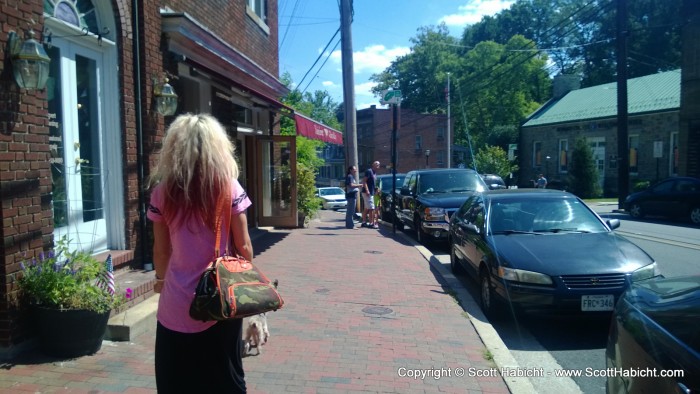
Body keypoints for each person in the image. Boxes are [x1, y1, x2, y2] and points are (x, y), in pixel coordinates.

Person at [147, 114, 252, 393]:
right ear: (219, 147)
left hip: (176, 303)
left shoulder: (162, 193)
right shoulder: (228, 188)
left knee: (176, 381)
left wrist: (161, 279)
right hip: (221, 301)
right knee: (226, 379)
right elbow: (244, 246)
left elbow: (161, 250)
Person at [362, 161, 380, 229]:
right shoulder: (369, 171)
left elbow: (373, 184)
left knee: (367, 208)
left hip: (371, 192)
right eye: (376, 164)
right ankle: (371, 223)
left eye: (378, 164)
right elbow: (364, 181)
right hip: (367, 192)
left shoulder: (375, 173)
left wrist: (376, 189)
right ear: (373, 165)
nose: (378, 165)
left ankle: (364, 222)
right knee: (371, 208)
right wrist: (367, 190)